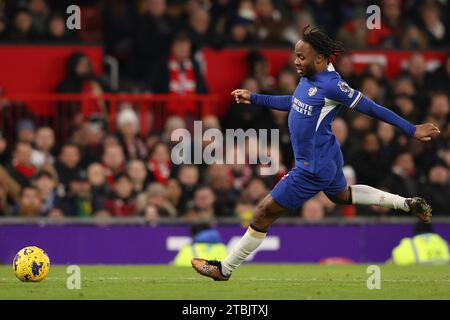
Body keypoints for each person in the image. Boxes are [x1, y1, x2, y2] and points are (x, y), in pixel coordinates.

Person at [192, 26, 440, 281]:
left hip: (312, 166)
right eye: (296, 55)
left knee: (262, 213)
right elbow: (294, 102)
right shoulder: (309, 77)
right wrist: (254, 97)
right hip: (327, 154)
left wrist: (411, 129)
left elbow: (372, 108)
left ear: (320, 59)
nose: (295, 61)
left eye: (301, 57)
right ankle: (405, 203)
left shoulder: (333, 85)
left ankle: (224, 270)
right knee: (342, 195)